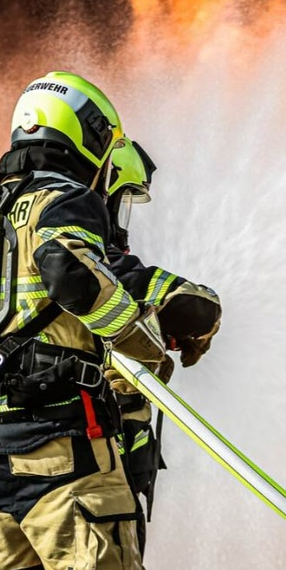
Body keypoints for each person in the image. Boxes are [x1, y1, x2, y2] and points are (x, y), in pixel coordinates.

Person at [0, 71, 166, 570]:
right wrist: (142, 343)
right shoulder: (68, 200)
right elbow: (68, 271)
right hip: (60, 453)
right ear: (90, 136)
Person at [101, 137, 222, 522]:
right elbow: (186, 302)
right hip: (88, 454)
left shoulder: (8, 236)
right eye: (121, 202)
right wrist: (201, 308)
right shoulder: (79, 248)